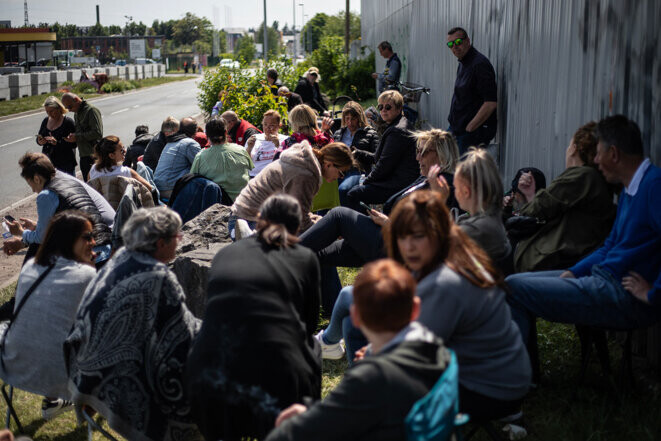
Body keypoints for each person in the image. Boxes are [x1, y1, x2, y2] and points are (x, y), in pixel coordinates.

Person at [506, 115, 661, 346]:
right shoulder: (631, 189)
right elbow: (610, 246)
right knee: (512, 282)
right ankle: (522, 376)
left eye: (599, 153)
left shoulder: (654, 186)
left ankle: (517, 378)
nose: (596, 160)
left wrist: (653, 294)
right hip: (599, 276)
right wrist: (574, 273)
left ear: (614, 154)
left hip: (617, 292)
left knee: (511, 287)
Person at [265, 259, 452, 441]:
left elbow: (312, 428)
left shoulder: (368, 379)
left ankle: (328, 343)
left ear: (355, 315)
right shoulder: (441, 352)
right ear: (416, 308)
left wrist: (302, 415)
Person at [187, 194, 322, 441]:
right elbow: (308, 322)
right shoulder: (304, 257)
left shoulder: (226, 254)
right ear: (297, 226)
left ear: (259, 220)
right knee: (312, 347)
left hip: (209, 373)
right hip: (278, 380)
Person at [386, 191, 531, 419]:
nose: (409, 246)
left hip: (493, 390)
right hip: (507, 376)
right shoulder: (458, 259)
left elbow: (417, 354)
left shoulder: (444, 281)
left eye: (418, 236)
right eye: (402, 237)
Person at [302, 128, 460, 333]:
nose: (417, 156)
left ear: (440, 153)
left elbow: (434, 235)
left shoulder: (444, 184)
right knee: (316, 255)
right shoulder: (425, 179)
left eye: (423, 151)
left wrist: (389, 224)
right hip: (386, 239)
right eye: (417, 150)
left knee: (339, 215)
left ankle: (282, 254)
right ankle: (328, 321)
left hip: (398, 250)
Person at [64, 207, 201, 441]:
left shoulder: (120, 258)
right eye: (177, 237)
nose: (180, 242)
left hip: (83, 372)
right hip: (115, 384)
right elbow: (182, 339)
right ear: (160, 243)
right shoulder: (159, 277)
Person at [0, 211, 97, 420]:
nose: (94, 242)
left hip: (14, 365)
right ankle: (83, 408)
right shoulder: (86, 276)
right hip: (63, 377)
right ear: (69, 241)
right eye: (87, 237)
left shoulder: (31, 267)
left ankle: (53, 401)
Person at [512, 122, 616, 272]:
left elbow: (532, 211)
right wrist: (530, 195)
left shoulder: (581, 176)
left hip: (545, 264)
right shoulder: (593, 181)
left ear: (574, 149)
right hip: (553, 263)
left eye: (569, 146)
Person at [2, 153, 114, 263]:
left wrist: (21, 232)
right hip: (106, 241)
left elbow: (42, 238)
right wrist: (37, 226)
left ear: (36, 179)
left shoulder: (46, 194)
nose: (33, 190)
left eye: (30, 185)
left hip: (92, 253)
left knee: (41, 256)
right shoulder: (68, 181)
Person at [232, 141, 354, 234]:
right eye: (341, 173)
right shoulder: (305, 175)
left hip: (245, 215)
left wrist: (321, 221)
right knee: (317, 243)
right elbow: (300, 222)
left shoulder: (304, 163)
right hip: (247, 221)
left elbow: (298, 212)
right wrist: (330, 229)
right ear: (328, 164)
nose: (340, 177)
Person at [433, 148, 511, 270]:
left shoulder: (475, 229)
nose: (455, 192)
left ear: (466, 191)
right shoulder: (491, 220)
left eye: (456, 188)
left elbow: (433, 253)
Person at [345, 90, 419, 213]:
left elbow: (384, 166)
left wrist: (366, 181)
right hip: (397, 178)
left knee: (354, 194)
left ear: (399, 108)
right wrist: (359, 153)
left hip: (399, 184)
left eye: (388, 107)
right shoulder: (397, 124)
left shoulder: (397, 131)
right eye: (381, 107)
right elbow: (378, 157)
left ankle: (362, 229)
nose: (383, 110)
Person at [446, 27, 497, 153]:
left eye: (458, 42)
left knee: (464, 172)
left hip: (470, 135)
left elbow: (490, 103)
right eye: (450, 44)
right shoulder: (463, 63)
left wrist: (470, 127)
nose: (454, 47)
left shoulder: (479, 64)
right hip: (456, 130)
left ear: (468, 41)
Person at [190, 117, 253, 201]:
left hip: (217, 205)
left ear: (207, 136)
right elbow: (250, 170)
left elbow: (192, 181)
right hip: (244, 201)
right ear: (226, 133)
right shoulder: (241, 150)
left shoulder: (200, 156)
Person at [333, 101, 380, 205]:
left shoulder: (370, 133)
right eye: (347, 118)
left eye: (353, 118)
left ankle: (343, 216)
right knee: (323, 190)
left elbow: (377, 157)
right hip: (338, 171)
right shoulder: (338, 133)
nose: (350, 122)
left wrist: (358, 153)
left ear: (359, 118)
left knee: (343, 189)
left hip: (358, 171)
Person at [153, 116, 201, 198]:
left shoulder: (171, 142)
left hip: (158, 187)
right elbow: (201, 166)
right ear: (195, 131)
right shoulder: (190, 143)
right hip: (170, 188)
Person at [61, 92, 103, 182]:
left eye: (70, 107)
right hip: (83, 156)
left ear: (76, 100)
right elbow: (79, 132)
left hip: (94, 155)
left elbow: (97, 133)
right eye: (67, 108)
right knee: (88, 186)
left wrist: (77, 137)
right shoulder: (77, 113)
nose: (69, 110)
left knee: (97, 186)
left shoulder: (91, 110)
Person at [88, 135, 153, 190]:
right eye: (121, 150)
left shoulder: (93, 170)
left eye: (124, 148)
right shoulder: (126, 172)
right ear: (112, 155)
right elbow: (149, 188)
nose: (125, 151)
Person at [36, 96, 77, 176]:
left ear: (59, 108)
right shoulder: (45, 121)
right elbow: (39, 138)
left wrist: (57, 143)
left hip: (65, 164)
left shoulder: (68, 122)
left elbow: (74, 144)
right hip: (48, 164)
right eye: (47, 112)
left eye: (52, 111)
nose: (50, 114)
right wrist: (40, 141)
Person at [245, 110, 288, 178]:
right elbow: (246, 163)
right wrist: (249, 148)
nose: (267, 128)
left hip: (274, 177)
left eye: (272, 125)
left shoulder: (285, 140)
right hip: (254, 176)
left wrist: (278, 146)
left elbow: (287, 162)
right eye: (265, 124)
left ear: (279, 126)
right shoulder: (255, 138)